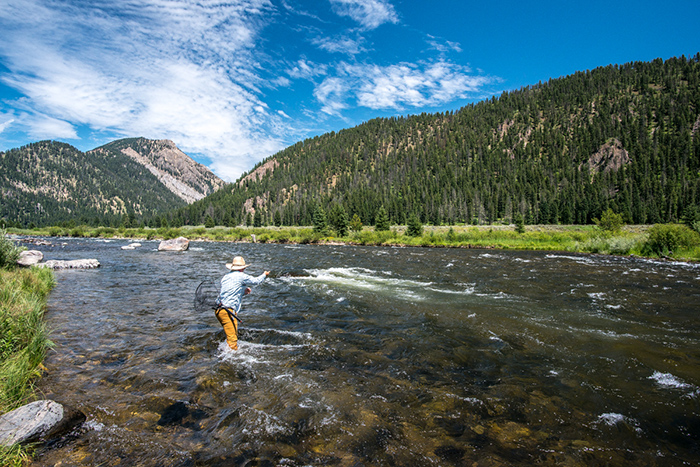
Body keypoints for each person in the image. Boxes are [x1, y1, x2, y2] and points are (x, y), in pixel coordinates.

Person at [215, 256, 269, 350]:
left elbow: (229, 292)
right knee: (232, 339)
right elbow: (256, 281)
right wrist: (264, 274)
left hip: (219, 310)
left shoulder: (225, 277)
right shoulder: (241, 276)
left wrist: (243, 291)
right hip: (228, 311)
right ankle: (230, 359)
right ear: (243, 268)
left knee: (232, 334)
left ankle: (226, 352)